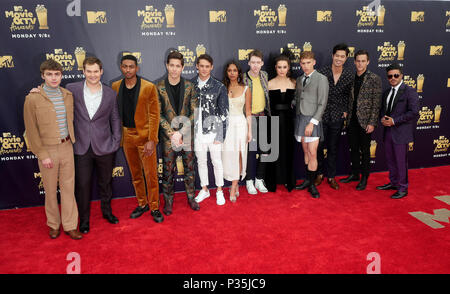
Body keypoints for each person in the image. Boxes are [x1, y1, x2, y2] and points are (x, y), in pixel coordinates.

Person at [23, 59, 82, 240]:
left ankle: (71, 225)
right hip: (46, 150)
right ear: (43, 76)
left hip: (66, 147)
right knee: (49, 190)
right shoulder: (32, 98)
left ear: (61, 75)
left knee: (68, 188)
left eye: (57, 74)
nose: (54, 78)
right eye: (49, 74)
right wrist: (42, 155)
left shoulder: (67, 95)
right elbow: (31, 130)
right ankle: (54, 225)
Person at [65, 57, 122, 234]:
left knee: (106, 183)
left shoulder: (110, 93)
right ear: (83, 72)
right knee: (82, 185)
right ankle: (84, 220)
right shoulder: (71, 89)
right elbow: (55, 98)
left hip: (105, 146)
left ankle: (107, 212)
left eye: (95, 71)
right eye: (88, 71)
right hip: (81, 146)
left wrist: (116, 141)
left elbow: (114, 117)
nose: (92, 75)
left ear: (101, 71)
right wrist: (38, 90)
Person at [111, 55, 163, 223]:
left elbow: (155, 115)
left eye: (131, 66)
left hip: (144, 137)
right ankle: (142, 204)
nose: (128, 69)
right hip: (127, 137)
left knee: (151, 175)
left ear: (137, 68)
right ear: (121, 67)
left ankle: (154, 206)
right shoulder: (115, 86)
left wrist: (152, 139)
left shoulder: (148, 87)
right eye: (125, 66)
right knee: (135, 175)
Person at [156, 51, 200, 215]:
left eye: (177, 66)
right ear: (167, 65)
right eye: (171, 65)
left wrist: (181, 132)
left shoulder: (190, 86)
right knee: (168, 171)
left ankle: (191, 197)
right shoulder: (159, 87)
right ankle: (168, 201)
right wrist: (172, 133)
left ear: (182, 67)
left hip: (186, 135)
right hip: (168, 138)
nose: (174, 69)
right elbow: (158, 114)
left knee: (190, 168)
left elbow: (194, 112)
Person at [340, 50, 382, 190]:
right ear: (354, 61)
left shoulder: (374, 78)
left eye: (363, 61)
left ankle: (364, 177)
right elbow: (349, 98)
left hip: (365, 121)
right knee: (353, 149)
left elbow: (376, 103)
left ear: (368, 62)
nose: (360, 63)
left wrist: (372, 122)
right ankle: (355, 174)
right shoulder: (351, 78)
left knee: (364, 151)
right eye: (358, 61)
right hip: (352, 120)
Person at [377, 63, 419, 199]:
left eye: (396, 75)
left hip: (401, 132)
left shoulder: (409, 91)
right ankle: (394, 183)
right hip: (388, 132)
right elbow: (384, 110)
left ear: (401, 75)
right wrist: (383, 118)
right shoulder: (386, 93)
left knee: (401, 161)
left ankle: (403, 187)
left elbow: (414, 112)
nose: (393, 78)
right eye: (390, 76)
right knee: (390, 160)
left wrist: (394, 121)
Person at [191, 54, 229, 206]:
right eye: (201, 66)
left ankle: (219, 190)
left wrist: (220, 134)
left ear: (211, 67)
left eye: (207, 66)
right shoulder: (191, 84)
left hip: (213, 131)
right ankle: (205, 189)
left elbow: (224, 113)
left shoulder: (219, 86)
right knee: (201, 161)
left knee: (216, 162)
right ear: (197, 66)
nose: (204, 69)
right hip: (197, 132)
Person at [316, 43, 353, 190]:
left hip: (337, 116)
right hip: (321, 115)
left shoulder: (349, 74)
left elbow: (350, 95)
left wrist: (345, 110)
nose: (339, 58)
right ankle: (319, 174)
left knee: (333, 148)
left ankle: (331, 176)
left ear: (346, 58)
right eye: (337, 55)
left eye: (342, 56)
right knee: (318, 146)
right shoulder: (322, 72)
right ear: (332, 56)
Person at [294, 51, 329, 198]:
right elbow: (299, 98)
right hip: (300, 119)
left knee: (313, 152)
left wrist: (312, 123)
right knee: (306, 152)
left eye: (308, 63)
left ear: (314, 62)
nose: (305, 66)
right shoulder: (300, 79)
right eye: (303, 63)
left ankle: (313, 185)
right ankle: (308, 180)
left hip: (313, 120)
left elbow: (322, 103)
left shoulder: (321, 79)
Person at [265, 53, 296, 192]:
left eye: (284, 67)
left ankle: (288, 180)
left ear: (288, 67)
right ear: (275, 68)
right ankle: (272, 181)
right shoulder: (269, 83)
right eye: (279, 67)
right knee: (274, 150)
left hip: (289, 120)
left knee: (288, 150)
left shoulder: (294, 82)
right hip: (273, 119)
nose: (282, 70)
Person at [222, 60, 252, 202]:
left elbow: (248, 112)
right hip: (227, 125)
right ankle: (234, 182)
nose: (232, 73)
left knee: (240, 153)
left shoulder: (246, 88)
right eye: (229, 70)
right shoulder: (222, 88)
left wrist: (250, 131)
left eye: (235, 70)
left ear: (239, 72)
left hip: (240, 124)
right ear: (226, 73)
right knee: (229, 155)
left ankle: (234, 185)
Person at [243, 49, 270, 195]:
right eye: (252, 62)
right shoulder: (243, 79)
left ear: (262, 63)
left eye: (258, 62)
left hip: (263, 116)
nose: (255, 65)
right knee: (252, 152)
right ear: (248, 63)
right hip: (250, 118)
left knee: (265, 150)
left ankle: (259, 179)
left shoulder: (265, 76)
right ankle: (249, 181)